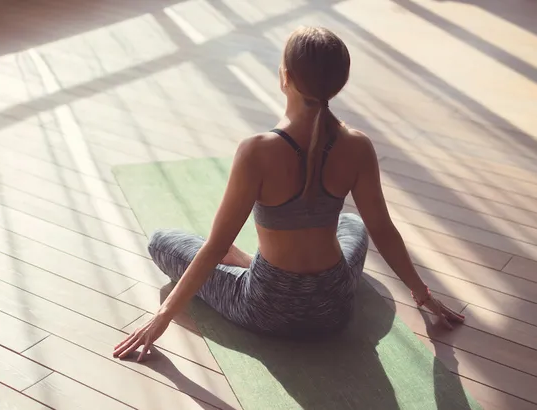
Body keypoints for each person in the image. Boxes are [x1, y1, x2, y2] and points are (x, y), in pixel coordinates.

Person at [113, 26, 464, 362]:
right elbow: (383, 230)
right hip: (334, 306)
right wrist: (423, 295)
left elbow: (216, 247)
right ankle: (252, 262)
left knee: (162, 241)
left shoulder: (256, 150)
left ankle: (251, 263)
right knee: (353, 223)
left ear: (285, 77)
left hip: (267, 307)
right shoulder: (358, 146)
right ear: (338, 84)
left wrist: (161, 318)